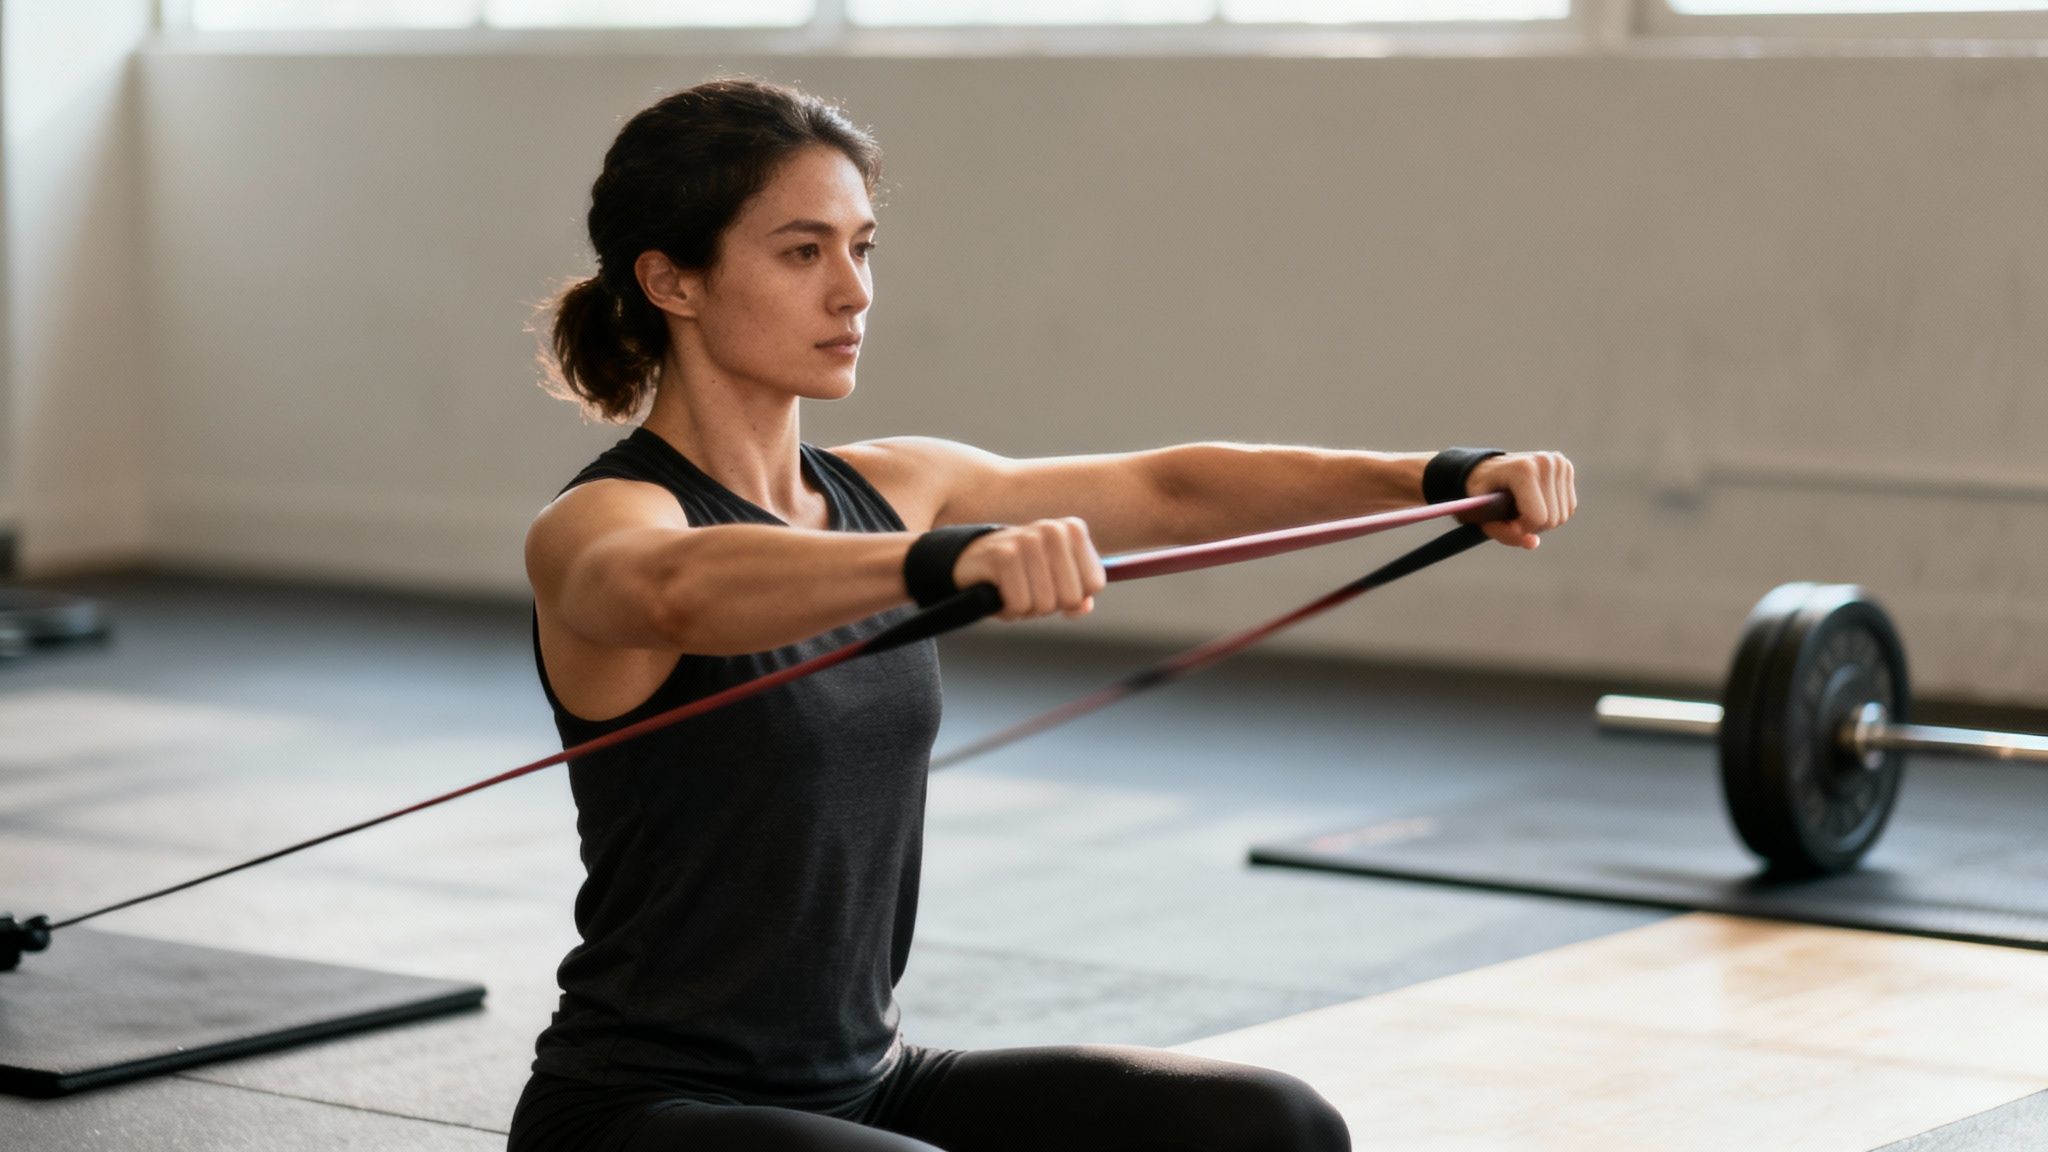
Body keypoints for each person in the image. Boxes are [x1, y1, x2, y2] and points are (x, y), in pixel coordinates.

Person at [510, 77, 1574, 1152]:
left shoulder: (896, 483)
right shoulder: (603, 518)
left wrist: (1436, 477)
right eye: (802, 252)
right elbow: (671, 588)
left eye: (861, 248)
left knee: (1274, 1127)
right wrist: (939, 561)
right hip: (641, 1113)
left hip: (867, 1085)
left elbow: (1171, 490)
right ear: (670, 280)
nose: (852, 293)